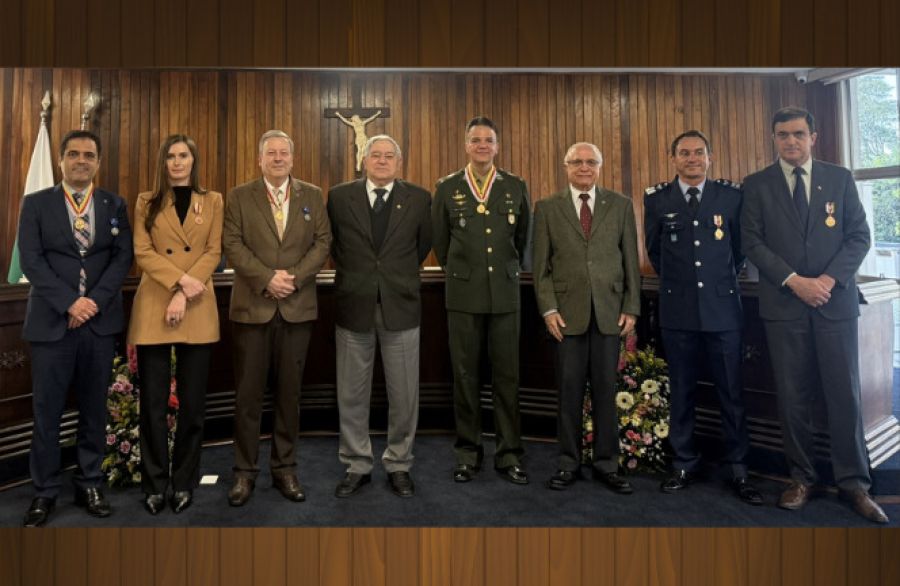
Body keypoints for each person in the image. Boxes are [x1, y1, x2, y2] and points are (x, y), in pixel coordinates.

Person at [741, 106, 888, 523]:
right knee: (793, 397)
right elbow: (751, 242)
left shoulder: (839, 179)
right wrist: (794, 280)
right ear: (774, 139)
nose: (791, 141)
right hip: (784, 307)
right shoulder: (756, 185)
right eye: (783, 135)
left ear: (813, 137)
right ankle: (800, 478)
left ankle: (855, 484)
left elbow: (859, 236)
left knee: (846, 394)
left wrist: (826, 281)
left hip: (834, 304)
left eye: (798, 134)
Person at [18, 129, 133, 526]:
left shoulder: (114, 204)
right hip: (52, 323)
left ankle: (90, 483)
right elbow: (31, 261)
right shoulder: (35, 204)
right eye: (73, 154)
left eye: (88, 155)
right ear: (62, 161)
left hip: (98, 325)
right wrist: (69, 302)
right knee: (47, 413)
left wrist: (91, 303)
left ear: (98, 162)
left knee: (93, 410)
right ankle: (44, 491)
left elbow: (122, 260)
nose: (81, 160)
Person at [644, 130, 762, 505]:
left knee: (731, 392)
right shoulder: (657, 199)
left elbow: (739, 251)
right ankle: (683, 462)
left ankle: (739, 468)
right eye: (684, 153)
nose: (692, 158)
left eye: (698, 152)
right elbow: (655, 251)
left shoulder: (731, 196)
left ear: (710, 157)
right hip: (677, 311)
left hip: (723, 310)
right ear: (673, 157)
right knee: (681, 392)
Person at [222, 129, 332, 506]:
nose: (278, 158)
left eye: (284, 152)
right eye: (271, 153)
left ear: (292, 158)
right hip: (253, 307)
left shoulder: (312, 196)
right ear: (260, 159)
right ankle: (244, 473)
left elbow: (323, 243)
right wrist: (267, 278)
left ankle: (285, 469)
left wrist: (294, 280)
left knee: (289, 394)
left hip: (297, 308)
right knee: (248, 397)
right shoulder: (238, 196)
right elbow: (232, 244)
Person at [326, 134, 432, 498]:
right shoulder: (339, 197)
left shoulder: (419, 199)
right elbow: (336, 244)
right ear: (364, 160)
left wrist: (390, 277)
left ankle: (399, 463)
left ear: (398, 163)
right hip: (354, 304)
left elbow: (421, 246)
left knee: (404, 393)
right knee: (352, 392)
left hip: (400, 305)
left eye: (389, 156)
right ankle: (356, 463)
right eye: (376, 155)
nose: (383, 161)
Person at [532, 142, 640, 494]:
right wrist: (548, 309)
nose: (583, 167)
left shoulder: (621, 205)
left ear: (599, 165)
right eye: (576, 162)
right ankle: (568, 463)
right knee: (569, 392)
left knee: (607, 392)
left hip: (610, 314)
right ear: (565, 167)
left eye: (590, 161)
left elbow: (630, 263)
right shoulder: (547, 208)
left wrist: (631, 307)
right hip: (566, 317)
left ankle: (607, 465)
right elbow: (541, 267)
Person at [432, 116, 531, 484]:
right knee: (465, 377)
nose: (482, 146)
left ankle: (509, 455)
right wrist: (463, 271)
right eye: (476, 140)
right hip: (463, 294)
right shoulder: (447, 188)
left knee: (507, 377)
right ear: (466, 145)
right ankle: (467, 453)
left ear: (497, 146)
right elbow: (441, 244)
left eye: (489, 140)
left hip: (505, 295)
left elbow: (523, 240)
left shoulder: (515, 186)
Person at [128, 134, 223, 515]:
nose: (178, 162)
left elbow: (214, 251)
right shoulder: (145, 201)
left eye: (184, 155)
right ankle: (154, 483)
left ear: (194, 160)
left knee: (193, 405)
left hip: (196, 304)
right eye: (171, 156)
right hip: (155, 302)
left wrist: (185, 292)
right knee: (151, 403)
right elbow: (142, 251)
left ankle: (184, 482)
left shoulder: (213, 200)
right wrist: (178, 283)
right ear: (162, 162)